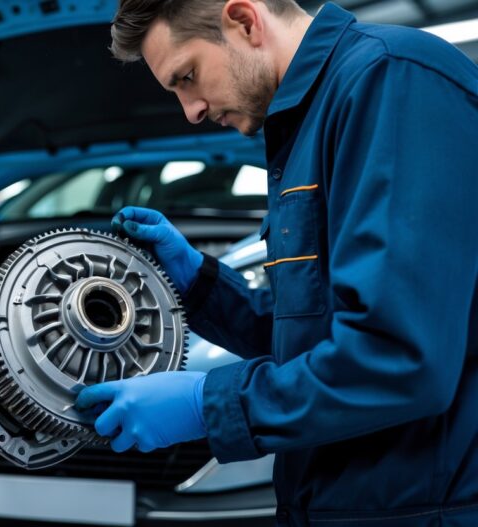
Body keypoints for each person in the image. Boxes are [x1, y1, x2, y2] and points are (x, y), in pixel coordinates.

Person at [75, 0, 478, 525]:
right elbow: (313, 335)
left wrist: (207, 404)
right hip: (335, 504)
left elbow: (397, 358)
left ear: (244, 20)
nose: (190, 110)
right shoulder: (306, 120)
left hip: (423, 510)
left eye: (188, 76)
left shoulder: (392, 82)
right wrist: (199, 284)